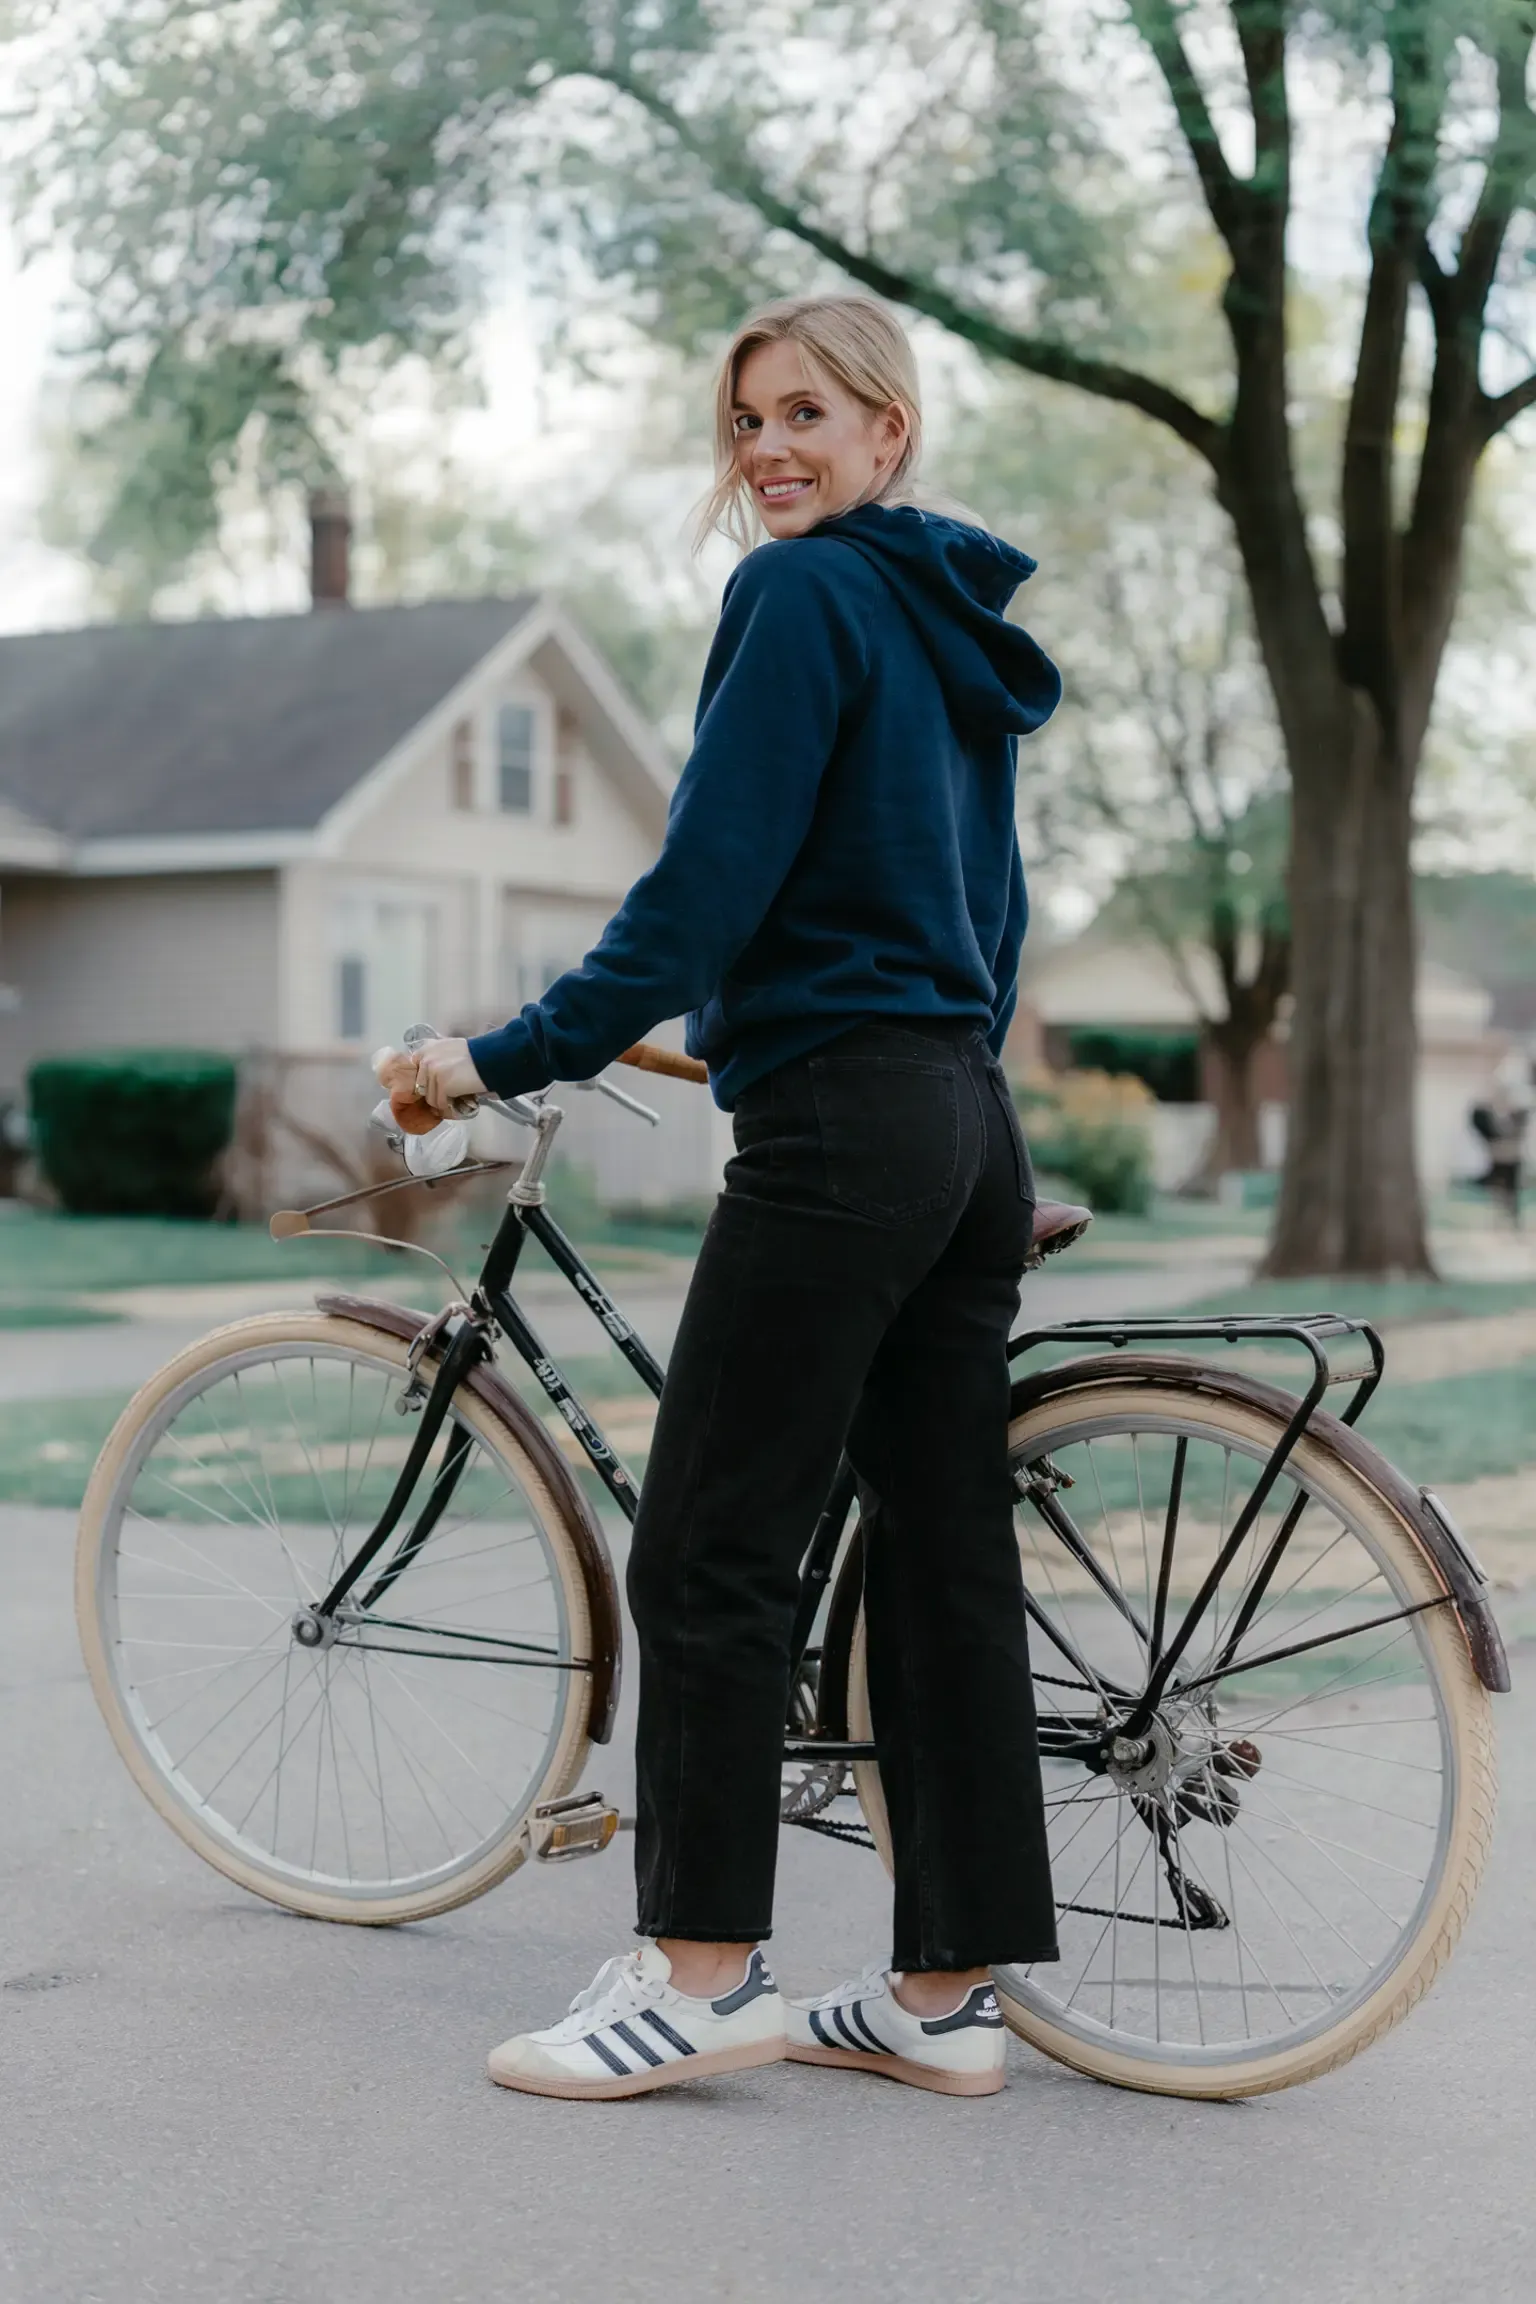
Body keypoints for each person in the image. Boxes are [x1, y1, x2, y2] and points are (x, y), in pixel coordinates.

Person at [413, 293, 1063, 2102]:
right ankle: (945, 1992)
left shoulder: (798, 594)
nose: (766, 449)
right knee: (942, 1560)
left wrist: (512, 1049)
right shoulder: (950, 627)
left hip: (844, 1128)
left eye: (804, 413)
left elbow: (704, 885)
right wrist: (932, 1066)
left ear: (885, 434)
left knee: (710, 1539)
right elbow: (989, 921)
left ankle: (699, 1969)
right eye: (744, 423)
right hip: (956, 1115)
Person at [1472, 1050, 1533, 1226]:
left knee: (1508, 1190)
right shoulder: (1497, 1105)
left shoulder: (1518, 1105)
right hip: (1502, 1152)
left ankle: (1510, 1218)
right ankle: (1505, 1218)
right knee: (1502, 1188)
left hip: (1510, 1153)